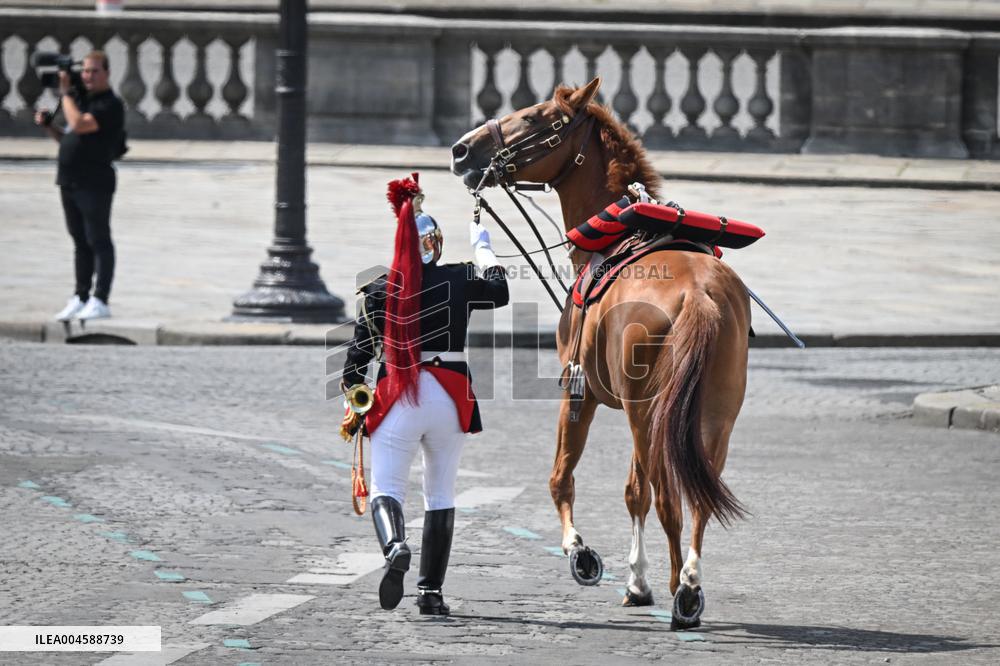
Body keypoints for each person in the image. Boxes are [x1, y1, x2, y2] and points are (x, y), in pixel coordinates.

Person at [340, 173, 509, 615]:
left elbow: (355, 365)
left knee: (386, 488)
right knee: (441, 494)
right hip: (450, 399)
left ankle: (395, 544)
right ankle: (430, 592)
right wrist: (484, 246)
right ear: (435, 245)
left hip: (399, 395)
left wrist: (355, 404)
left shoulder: (378, 290)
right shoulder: (459, 278)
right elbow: (501, 291)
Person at [34, 50, 125, 321]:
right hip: (69, 179)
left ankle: (100, 300)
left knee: (99, 240)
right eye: (85, 70)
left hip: (94, 181)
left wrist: (65, 94)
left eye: (95, 71)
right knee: (79, 242)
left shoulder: (110, 104)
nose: (88, 76)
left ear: (107, 73)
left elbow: (79, 124)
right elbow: (69, 137)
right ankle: (80, 296)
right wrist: (50, 126)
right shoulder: (82, 100)